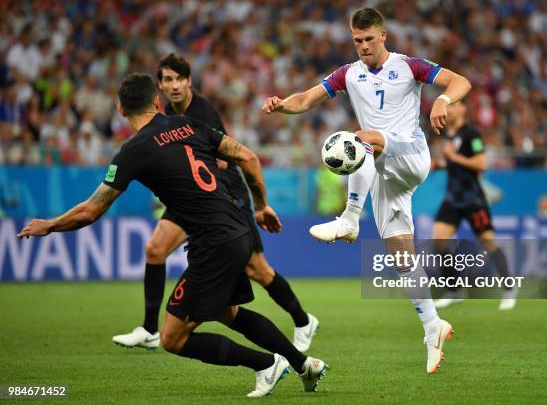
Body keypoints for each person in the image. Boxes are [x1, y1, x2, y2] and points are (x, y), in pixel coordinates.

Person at [18, 73, 328, 397]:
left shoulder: (133, 151)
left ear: (121, 110)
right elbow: (248, 157)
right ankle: (303, 364)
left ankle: (266, 364)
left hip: (213, 243)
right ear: (156, 100)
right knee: (227, 312)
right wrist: (262, 206)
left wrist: (49, 225)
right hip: (238, 228)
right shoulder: (189, 125)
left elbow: (91, 210)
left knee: (172, 338)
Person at [263, 7, 472, 374]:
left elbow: (461, 82)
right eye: (357, 40)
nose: (362, 46)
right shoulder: (349, 74)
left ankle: (349, 218)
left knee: (360, 139)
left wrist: (442, 100)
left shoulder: (410, 66)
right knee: (401, 258)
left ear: (383, 35)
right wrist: (282, 105)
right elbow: (307, 99)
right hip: (383, 173)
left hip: (410, 153)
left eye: (368, 39)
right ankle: (432, 326)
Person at [112, 54, 319, 353]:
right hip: (193, 198)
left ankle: (302, 320)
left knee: (257, 270)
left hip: (224, 196)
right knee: (155, 249)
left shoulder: (202, 113)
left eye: (179, 78)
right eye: (167, 80)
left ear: (189, 81)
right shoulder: (166, 114)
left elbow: (221, 162)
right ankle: (149, 329)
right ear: (158, 89)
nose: (174, 86)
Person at [431, 100, 517, 311]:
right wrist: (440, 164)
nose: (448, 110)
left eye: (452, 106)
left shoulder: (472, 134)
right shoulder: (446, 135)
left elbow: (481, 164)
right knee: (439, 240)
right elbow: (453, 163)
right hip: (452, 198)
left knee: (488, 241)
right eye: (447, 106)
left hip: (473, 199)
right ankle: (454, 291)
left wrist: (453, 157)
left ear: (462, 108)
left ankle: (509, 288)